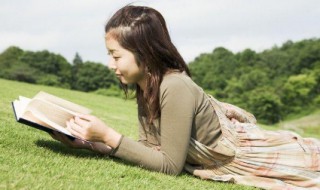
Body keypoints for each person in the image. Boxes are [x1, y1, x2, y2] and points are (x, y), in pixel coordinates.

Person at [50, 5, 320, 190]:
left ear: (144, 53)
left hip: (252, 154)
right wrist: (89, 144)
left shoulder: (174, 85)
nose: (110, 64)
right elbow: (149, 149)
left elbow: (169, 166)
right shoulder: (147, 86)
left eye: (116, 55)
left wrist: (108, 135)